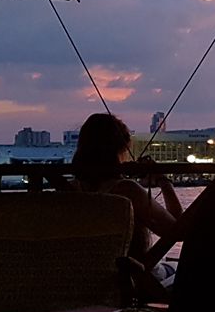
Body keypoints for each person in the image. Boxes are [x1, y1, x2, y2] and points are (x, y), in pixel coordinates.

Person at [69, 113, 190, 287]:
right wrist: (164, 181)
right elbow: (177, 232)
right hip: (134, 278)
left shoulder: (69, 190)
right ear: (120, 148)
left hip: (85, 280)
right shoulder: (127, 190)